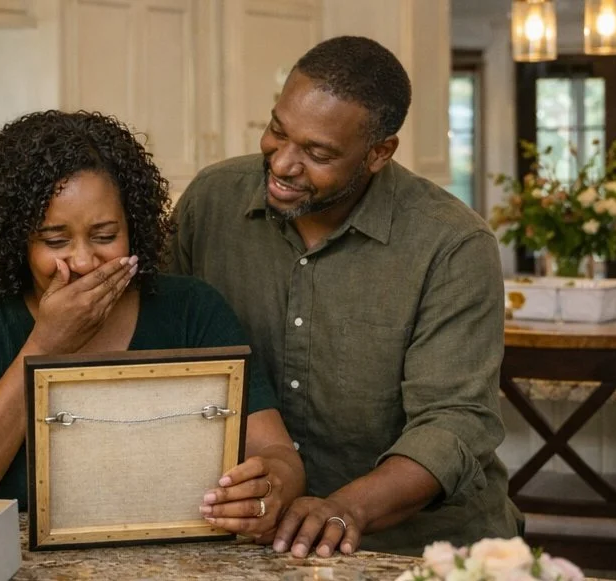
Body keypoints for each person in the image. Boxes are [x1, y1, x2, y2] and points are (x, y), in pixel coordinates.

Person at [167, 36, 523, 558]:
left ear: (379, 152)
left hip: (417, 548)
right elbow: (155, 344)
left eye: (317, 153)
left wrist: (346, 507)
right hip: (251, 544)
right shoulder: (211, 201)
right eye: (277, 130)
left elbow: (452, 424)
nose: (284, 163)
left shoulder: (451, 244)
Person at [0, 110, 306, 542]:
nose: (85, 261)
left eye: (106, 236)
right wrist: (47, 343)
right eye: (55, 241)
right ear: (16, 238)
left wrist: (269, 489)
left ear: (135, 227)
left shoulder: (193, 309)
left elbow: (279, 457)